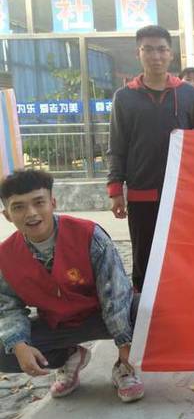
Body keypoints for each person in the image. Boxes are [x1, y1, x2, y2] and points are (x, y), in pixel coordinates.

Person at [0, 170, 144, 402]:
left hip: (102, 315)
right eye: (19, 207)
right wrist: (18, 344)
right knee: (5, 347)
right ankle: (70, 357)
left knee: (149, 311)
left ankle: (124, 367)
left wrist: (124, 343)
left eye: (39, 202)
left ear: (53, 203)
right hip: (57, 324)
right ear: (7, 215)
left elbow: (115, 293)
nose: (31, 213)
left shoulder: (88, 234)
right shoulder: (5, 256)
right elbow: (8, 308)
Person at [107, 25, 194, 292]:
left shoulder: (188, 93)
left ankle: (183, 300)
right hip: (141, 190)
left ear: (171, 54)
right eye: (149, 49)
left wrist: (186, 137)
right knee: (144, 254)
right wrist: (115, 190)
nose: (156, 56)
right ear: (138, 53)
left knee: (183, 251)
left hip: (182, 192)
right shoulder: (124, 97)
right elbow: (117, 145)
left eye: (162, 50)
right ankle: (144, 307)